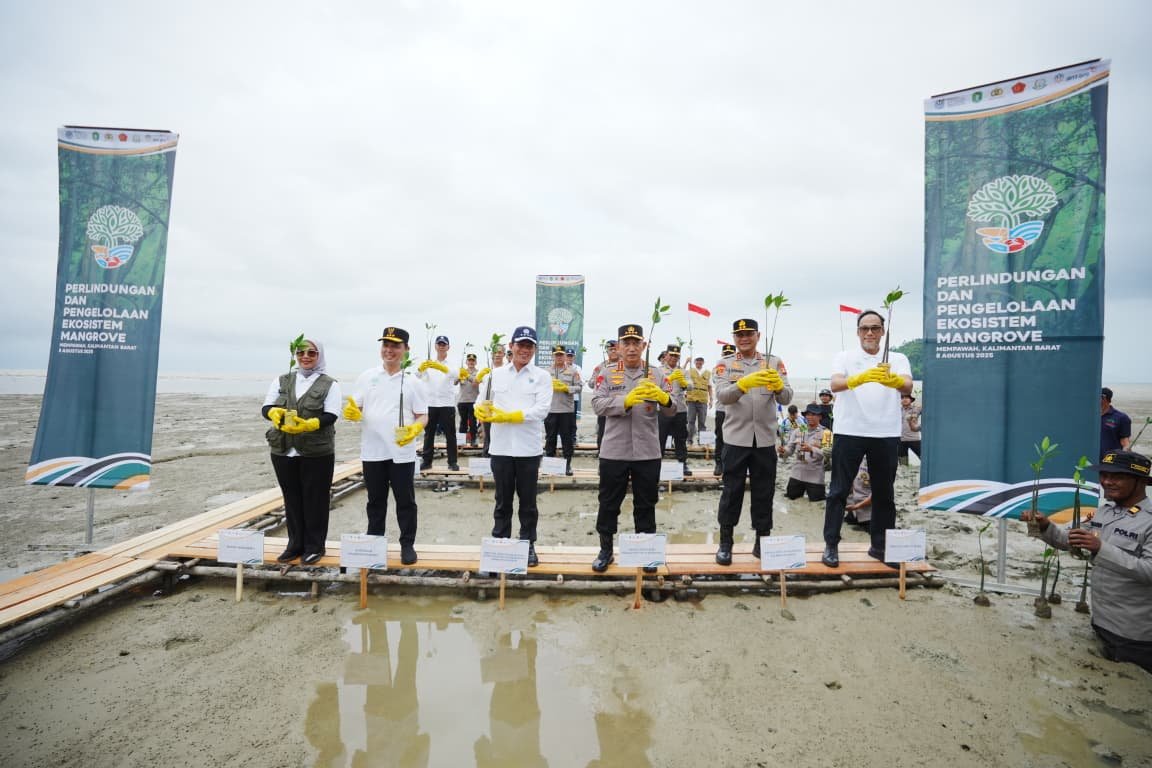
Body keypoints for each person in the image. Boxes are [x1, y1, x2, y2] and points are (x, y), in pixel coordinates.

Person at [1024, 450, 1152, 673]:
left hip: (1134, 636)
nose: (1107, 481)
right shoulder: (1104, 513)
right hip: (1100, 623)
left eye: (1117, 476)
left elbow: (1149, 571)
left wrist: (1101, 548)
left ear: (1141, 481)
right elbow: (1070, 541)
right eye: (1103, 475)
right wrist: (1045, 527)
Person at [820, 309, 913, 568]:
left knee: (885, 493)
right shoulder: (845, 357)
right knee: (838, 490)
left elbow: (907, 385)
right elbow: (836, 383)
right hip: (850, 430)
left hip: (885, 432)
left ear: (883, 331)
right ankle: (831, 545)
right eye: (864, 328)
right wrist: (859, 378)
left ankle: (881, 547)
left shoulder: (897, 357)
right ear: (858, 332)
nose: (869, 333)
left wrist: (892, 379)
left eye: (875, 328)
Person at [590, 323, 676, 572]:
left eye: (635, 343)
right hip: (614, 451)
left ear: (644, 345)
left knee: (646, 503)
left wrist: (664, 398)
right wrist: (623, 401)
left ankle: (646, 551)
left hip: (647, 451)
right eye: (625, 343)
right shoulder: (606, 374)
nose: (630, 348)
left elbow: (673, 410)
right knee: (608, 503)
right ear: (617, 347)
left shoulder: (657, 375)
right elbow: (596, 405)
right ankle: (605, 550)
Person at [344, 327, 429, 565]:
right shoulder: (367, 376)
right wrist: (352, 412)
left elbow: (423, 415)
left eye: (395, 346)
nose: (389, 350)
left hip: (402, 452)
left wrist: (414, 429)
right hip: (372, 450)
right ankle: (374, 543)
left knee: (405, 501)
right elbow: (356, 406)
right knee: (375, 500)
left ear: (405, 349)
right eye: (386, 345)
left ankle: (407, 544)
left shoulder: (413, 381)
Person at [714, 318, 793, 565]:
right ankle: (726, 542)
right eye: (739, 335)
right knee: (731, 492)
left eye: (749, 334)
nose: (744, 338)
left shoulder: (773, 362)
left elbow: (788, 397)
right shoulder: (725, 364)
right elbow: (723, 396)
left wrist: (779, 386)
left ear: (758, 335)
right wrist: (743, 383)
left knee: (764, 492)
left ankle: (762, 541)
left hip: (765, 440)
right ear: (734, 338)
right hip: (736, 439)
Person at [474, 326, 553, 567]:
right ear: (511, 346)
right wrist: (480, 411)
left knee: (528, 503)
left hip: (528, 450)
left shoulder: (542, 376)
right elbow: (480, 403)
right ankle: (500, 543)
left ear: (535, 350)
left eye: (530, 346)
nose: (524, 350)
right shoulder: (493, 376)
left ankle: (528, 544)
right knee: (502, 500)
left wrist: (513, 416)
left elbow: (542, 409)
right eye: (520, 345)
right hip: (500, 449)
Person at [262, 338, 342, 565]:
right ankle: (294, 544)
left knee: (315, 498)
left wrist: (312, 424)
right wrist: (273, 414)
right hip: (283, 449)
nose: (305, 356)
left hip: (317, 451)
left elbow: (332, 414)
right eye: (301, 352)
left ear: (320, 356)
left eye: (311, 353)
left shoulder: (329, 384)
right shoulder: (282, 379)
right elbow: (267, 407)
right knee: (292, 498)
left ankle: (315, 546)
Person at [417, 335, 459, 472]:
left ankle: (452, 462)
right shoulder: (428, 363)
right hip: (430, 403)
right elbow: (417, 378)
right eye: (439, 344)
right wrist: (420, 369)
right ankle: (427, 461)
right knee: (429, 434)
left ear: (448, 347)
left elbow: (456, 375)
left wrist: (441, 367)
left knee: (450, 434)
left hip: (447, 403)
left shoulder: (452, 363)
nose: (441, 346)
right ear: (435, 346)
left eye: (444, 344)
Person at [544, 344, 581, 476]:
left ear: (565, 356)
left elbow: (579, 387)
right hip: (551, 410)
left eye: (561, 355)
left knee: (567, 439)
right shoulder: (546, 372)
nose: (559, 357)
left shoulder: (572, 372)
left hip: (566, 411)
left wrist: (567, 389)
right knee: (550, 439)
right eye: (556, 355)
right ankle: (549, 465)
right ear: (553, 356)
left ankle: (567, 465)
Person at [780, 403, 828, 502]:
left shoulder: (827, 433)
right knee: (790, 499)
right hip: (797, 474)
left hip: (815, 477)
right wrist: (783, 451)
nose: (810, 417)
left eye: (814, 414)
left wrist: (811, 449)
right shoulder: (798, 430)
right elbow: (790, 449)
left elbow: (827, 453)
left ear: (820, 417)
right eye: (808, 414)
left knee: (817, 503)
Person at [657, 344, 693, 476]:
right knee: (660, 437)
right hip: (664, 408)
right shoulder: (658, 370)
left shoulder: (683, 371)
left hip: (680, 409)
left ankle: (682, 463)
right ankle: (656, 463)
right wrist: (668, 379)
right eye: (671, 355)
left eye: (676, 356)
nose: (673, 358)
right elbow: (655, 387)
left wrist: (684, 383)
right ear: (666, 355)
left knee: (681, 438)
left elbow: (691, 387)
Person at [589, 340, 620, 448]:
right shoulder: (600, 367)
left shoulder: (625, 365)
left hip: (619, 403)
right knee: (602, 428)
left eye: (615, 349)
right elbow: (591, 383)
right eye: (610, 349)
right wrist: (599, 379)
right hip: (604, 403)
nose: (613, 351)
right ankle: (601, 450)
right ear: (607, 351)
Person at [477, 344, 506, 458]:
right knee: (488, 437)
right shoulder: (486, 373)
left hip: (502, 409)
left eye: (500, 352)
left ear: (504, 354)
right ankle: (486, 459)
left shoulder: (507, 371)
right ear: (491, 355)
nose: (497, 355)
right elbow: (482, 392)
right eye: (495, 352)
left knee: (501, 436)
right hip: (487, 409)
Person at [712, 343, 735, 476]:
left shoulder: (741, 367)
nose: (728, 357)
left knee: (735, 438)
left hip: (736, 409)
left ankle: (730, 463)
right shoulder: (718, 368)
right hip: (722, 408)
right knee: (720, 437)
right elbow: (719, 381)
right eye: (726, 354)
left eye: (730, 354)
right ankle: (719, 463)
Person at [686, 356, 712, 444]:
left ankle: (702, 440)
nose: (699, 362)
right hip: (691, 400)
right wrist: (686, 362)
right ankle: (689, 440)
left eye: (701, 361)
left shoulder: (708, 373)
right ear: (694, 362)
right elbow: (680, 373)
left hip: (703, 400)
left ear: (703, 362)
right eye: (697, 361)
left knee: (702, 422)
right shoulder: (689, 371)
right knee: (691, 421)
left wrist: (711, 399)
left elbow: (710, 387)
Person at [1100, 387, 1132, 459]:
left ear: (1105, 399)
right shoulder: (1090, 416)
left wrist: (1126, 452)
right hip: (1091, 460)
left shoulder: (1121, 418)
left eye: (1099, 397)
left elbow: (1125, 442)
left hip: (1111, 462)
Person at [457, 353, 480, 448]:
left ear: (476, 362)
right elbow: (454, 382)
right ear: (466, 362)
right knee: (463, 422)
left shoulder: (478, 372)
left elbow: (476, 383)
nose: (471, 362)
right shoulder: (462, 371)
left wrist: (467, 376)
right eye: (469, 361)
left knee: (473, 422)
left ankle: (473, 440)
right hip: (462, 401)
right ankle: (461, 441)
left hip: (473, 401)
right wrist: (460, 375)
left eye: (473, 361)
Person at [898, 393, 922, 463]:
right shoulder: (897, 410)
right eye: (902, 398)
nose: (904, 399)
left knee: (924, 458)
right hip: (901, 440)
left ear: (911, 400)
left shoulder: (917, 408)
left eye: (907, 397)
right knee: (903, 463)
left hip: (914, 439)